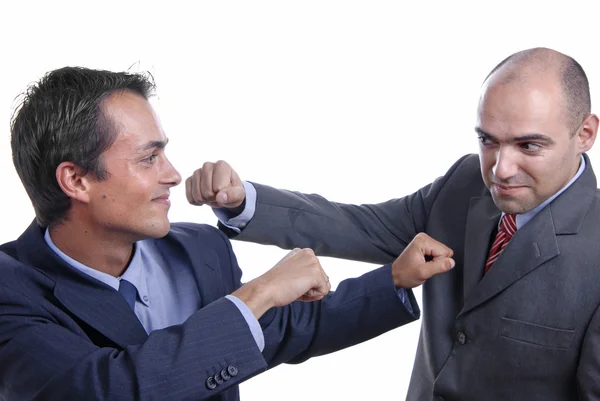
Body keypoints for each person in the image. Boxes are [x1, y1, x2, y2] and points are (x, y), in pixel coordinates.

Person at [0, 66, 455, 401]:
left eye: (165, 154)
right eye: (148, 159)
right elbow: (112, 388)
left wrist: (395, 278)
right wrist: (257, 295)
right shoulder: (11, 290)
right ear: (76, 180)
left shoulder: (199, 249)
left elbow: (279, 330)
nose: (174, 175)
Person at [190, 47, 600, 400]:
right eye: (487, 141)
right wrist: (244, 201)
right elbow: (359, 226)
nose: (501, 169)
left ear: (585, 133)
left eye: (529, 145)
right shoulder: (464, 183)